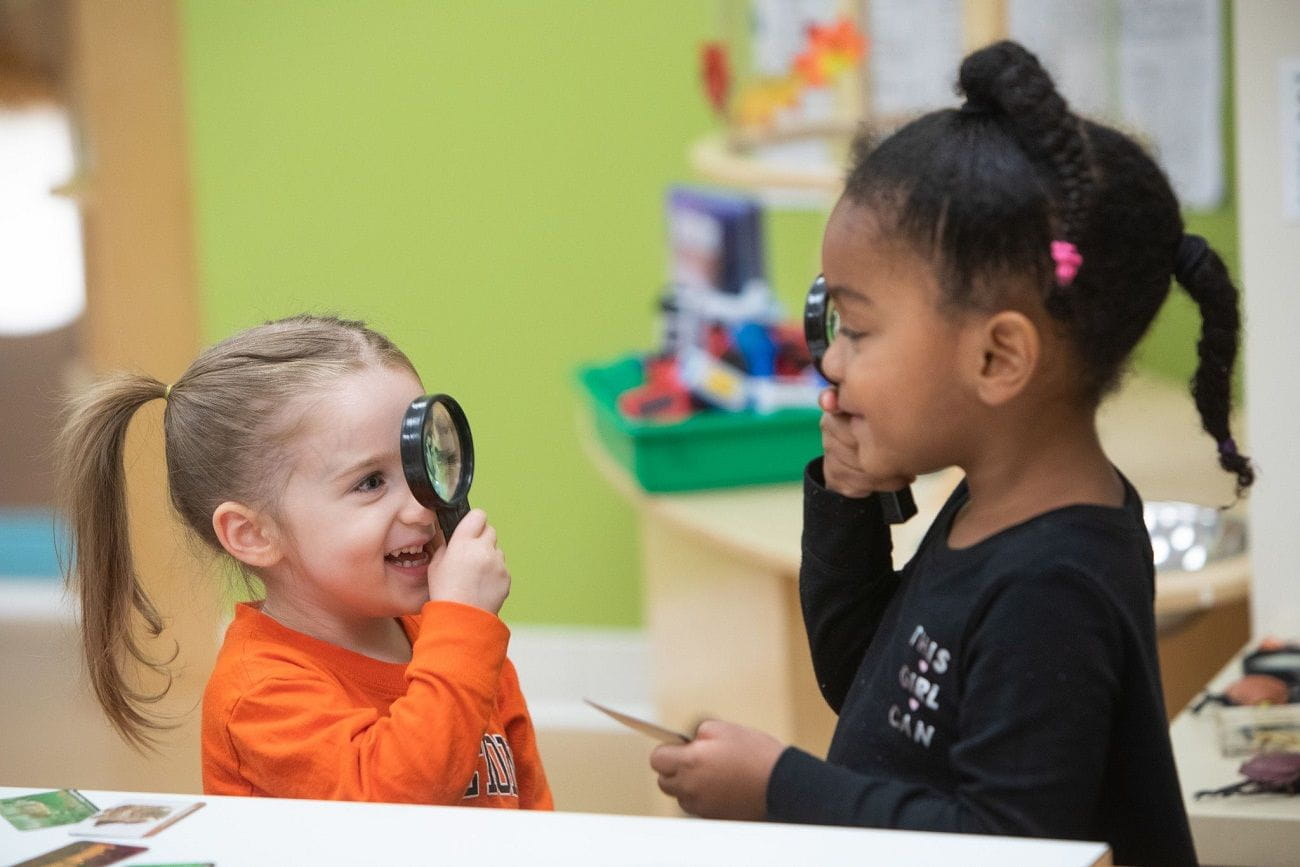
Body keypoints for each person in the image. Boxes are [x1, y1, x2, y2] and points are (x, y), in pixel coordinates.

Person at [651, 41, 1252, 866]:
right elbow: (866, 686)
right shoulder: (989, 503)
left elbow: (1008, 847)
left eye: (857, 330)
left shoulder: (1054, 582)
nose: (831, 360)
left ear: (998, 359)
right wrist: (850, 496)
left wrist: (780, 788)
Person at [57, 313, 552, 809]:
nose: (422, 506)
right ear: (253, 535)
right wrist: (464, 627)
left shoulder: (452, 641)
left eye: (419, 466)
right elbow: (400, 804)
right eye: (370, 482)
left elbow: (532, 813)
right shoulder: (262, 694)